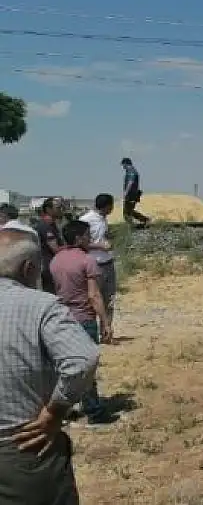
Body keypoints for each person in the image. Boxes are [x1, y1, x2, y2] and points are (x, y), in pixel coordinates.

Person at [0, 228, 99, 504]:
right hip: (23, 447)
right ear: (29, 268)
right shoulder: (41, 305)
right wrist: (56, 410)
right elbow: (82, 360)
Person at [50, 220, 114, 424]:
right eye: (87, 236)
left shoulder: (56, 260)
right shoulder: (87, 260)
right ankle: (94, 411)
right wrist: (105, 323)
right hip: (84, 318)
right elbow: (94, 295)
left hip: (62, 318)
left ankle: (65, 408)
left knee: (64, 365)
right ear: (78, 238)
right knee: (87, 366)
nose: (90, 239)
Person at [78, 195, 118, 336]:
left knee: (110, 298)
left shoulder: (103, 219)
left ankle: (106, 332)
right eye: (111, 206)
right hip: (94, 265)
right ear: (107, 206)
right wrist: (99, 246)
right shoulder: (86, 220)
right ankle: (90, 333)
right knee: (94, 299)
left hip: (108, 263)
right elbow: (80, 243)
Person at [34, 198, 64, 294]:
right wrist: (73, 247)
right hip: (49, 268)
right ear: (48, 209)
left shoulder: (52, 225)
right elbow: (55, 249)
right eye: (58, 208)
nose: (61, 210)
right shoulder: (45, 226)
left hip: (54, 265)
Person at [120, 158, 150, 228]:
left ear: (126, 163)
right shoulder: (132, 171)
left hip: (130, 195)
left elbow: (130, 182)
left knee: (126, 213)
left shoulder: (131, 171)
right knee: (129, 211)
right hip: (132, 194)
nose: (123, 167)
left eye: (123, 165)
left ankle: (132, 226)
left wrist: (126, 192)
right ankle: (144, 220)